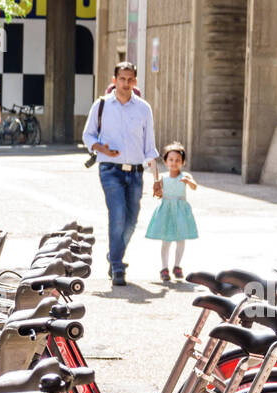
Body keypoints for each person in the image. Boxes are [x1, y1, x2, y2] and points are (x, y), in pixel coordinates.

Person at [82, 60, 160, 287]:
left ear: (135, 81)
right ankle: (117, 265)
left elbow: (150, 147)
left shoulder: (144, 109)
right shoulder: (102, 105)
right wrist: (101, 148)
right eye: (121, 79)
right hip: (110, 170)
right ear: (114, 80)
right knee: (117, 216)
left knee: (132, 220)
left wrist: (157, 179)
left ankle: (113, 254)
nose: (126, 83)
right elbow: (88, 136)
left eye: (130, 79)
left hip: (136, 173)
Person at [145, 142, 199, 282]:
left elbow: (194, 187)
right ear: (165, 161)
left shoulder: (185, 175)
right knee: (166, 240)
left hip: (181, 211)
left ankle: (177, 265)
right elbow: (157, 191)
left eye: (177, 160)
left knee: (181, 239)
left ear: (182, 162)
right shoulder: (163, 177)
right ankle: (164, 268)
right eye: (171, 160)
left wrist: (188, 181)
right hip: (167, 211)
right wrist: (157, 190)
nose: (174, 163)